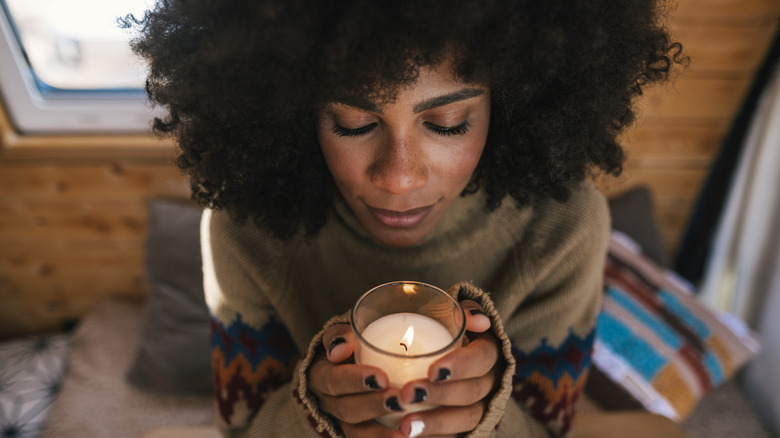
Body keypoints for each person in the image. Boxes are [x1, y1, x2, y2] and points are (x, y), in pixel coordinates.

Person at [127, 1, 684, 437]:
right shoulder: (247, 226)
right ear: (294, 110)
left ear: (513, 102)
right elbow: (240, 431)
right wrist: (312, 410)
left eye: (447, 122)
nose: (398, 179)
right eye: (353, 123)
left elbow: (550, 432)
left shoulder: (562, 226)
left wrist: (484, 414)